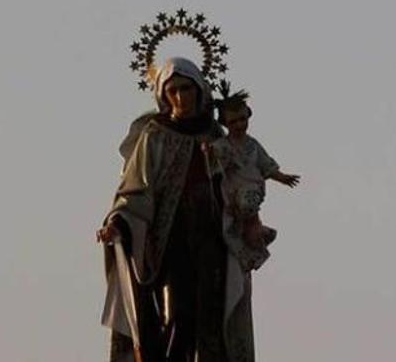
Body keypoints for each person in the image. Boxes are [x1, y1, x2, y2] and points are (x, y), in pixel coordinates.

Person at [97, 57, 255, 362]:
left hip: (212, 239)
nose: (181, 97)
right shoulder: (154, 135)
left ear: (199, 91)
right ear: (164, 95)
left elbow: (240, 182)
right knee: (177, 315)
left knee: (211, 321)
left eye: (187, 89)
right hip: (171, 241)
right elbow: (135, 190)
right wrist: (119, 221)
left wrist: (248, 217)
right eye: (174, 91)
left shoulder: (216, 137)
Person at [210, 90, 301, 272]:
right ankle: (256, 235)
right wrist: (208, 152)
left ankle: (255, 234)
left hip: (251, 188)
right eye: (233, 121)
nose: (239, 125)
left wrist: (282, 177)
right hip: (230, 191)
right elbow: (213, 164)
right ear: (225, 123)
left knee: (247, 205)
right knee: (232, 226)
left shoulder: (253, 145)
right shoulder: (223, 146)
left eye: (242, 119)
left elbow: (266, 164)